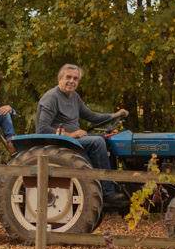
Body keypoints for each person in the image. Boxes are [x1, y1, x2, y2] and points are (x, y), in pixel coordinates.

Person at [36, 63, 129, 204]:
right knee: (97, 142)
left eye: (75, 78)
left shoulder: (74, 96)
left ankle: (115, 184)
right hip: (59, 143)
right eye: (68, 77)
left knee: (107, 139)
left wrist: (114, 115)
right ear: (60, 78)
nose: (72, 81)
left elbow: (91, 116)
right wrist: (71, 135)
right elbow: (42, 129)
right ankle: (108, 192)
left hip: (73, 140)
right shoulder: (51, 97)